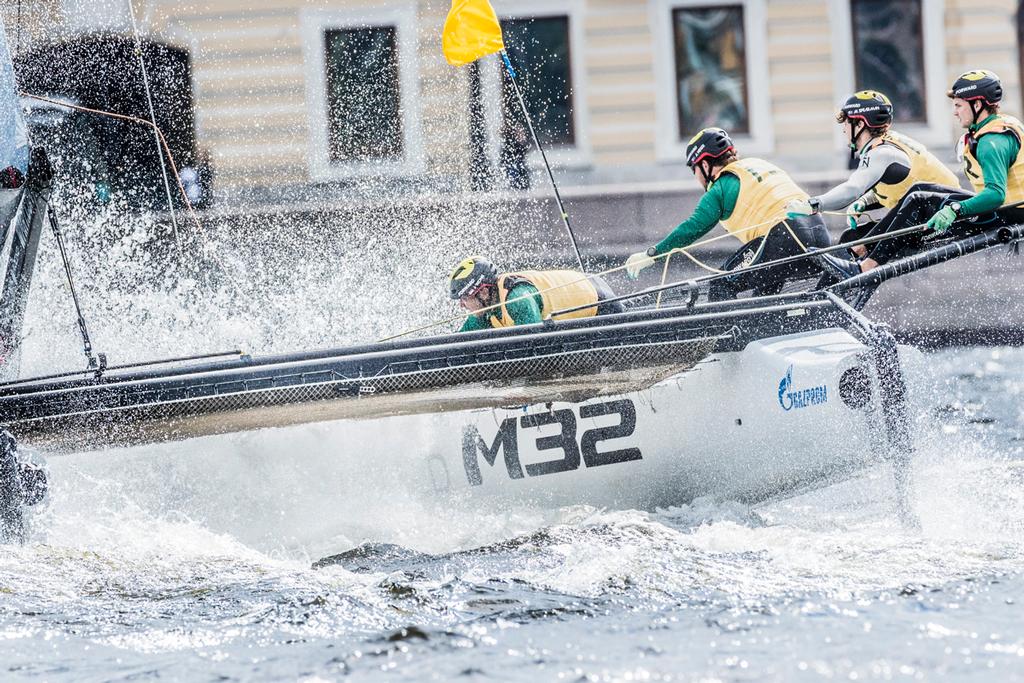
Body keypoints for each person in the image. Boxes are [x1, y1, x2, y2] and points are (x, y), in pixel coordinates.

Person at [817, 71, 1024, 276]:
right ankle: (848, 268)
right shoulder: (994, 129)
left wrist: (955, 209)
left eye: (959, 105)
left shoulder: (992, 141)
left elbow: (996, 195)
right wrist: (867, 202)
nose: (955, 112)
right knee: (914, 193)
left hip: (1007, 214)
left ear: (977, 105)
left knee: (918, 199)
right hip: (1002, 210)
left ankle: (866, 267)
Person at [625, 127, 832, 299]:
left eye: (694, 169)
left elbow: (691, 228)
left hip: (784, 238)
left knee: (721, 285)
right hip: (821, 235)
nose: (696, 176)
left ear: (705, 164)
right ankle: (769, 329)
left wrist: (652, 254)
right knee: (766, 283)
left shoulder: (721, 187)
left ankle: (727, 344)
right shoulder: (759, 164)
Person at [783, 90, 959, 276]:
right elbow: (902, 186)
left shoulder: (881, 152)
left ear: (860, 123)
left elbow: (852, 188)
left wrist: (813, 204)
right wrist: (865, 202)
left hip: (942, 221)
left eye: (847, 123)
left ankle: (842, 285)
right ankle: (823, 298)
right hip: (924, 214)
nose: (844, 130)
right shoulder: (888, 143)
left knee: (857, 245)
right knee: (851, 239)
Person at [450, 257, 623, 331]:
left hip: (600, 301)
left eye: (465, 298)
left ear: (484, 292)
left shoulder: (517, 299)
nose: (461, 305)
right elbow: (458, 344)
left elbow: (533, 342)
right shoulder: (485, 311)